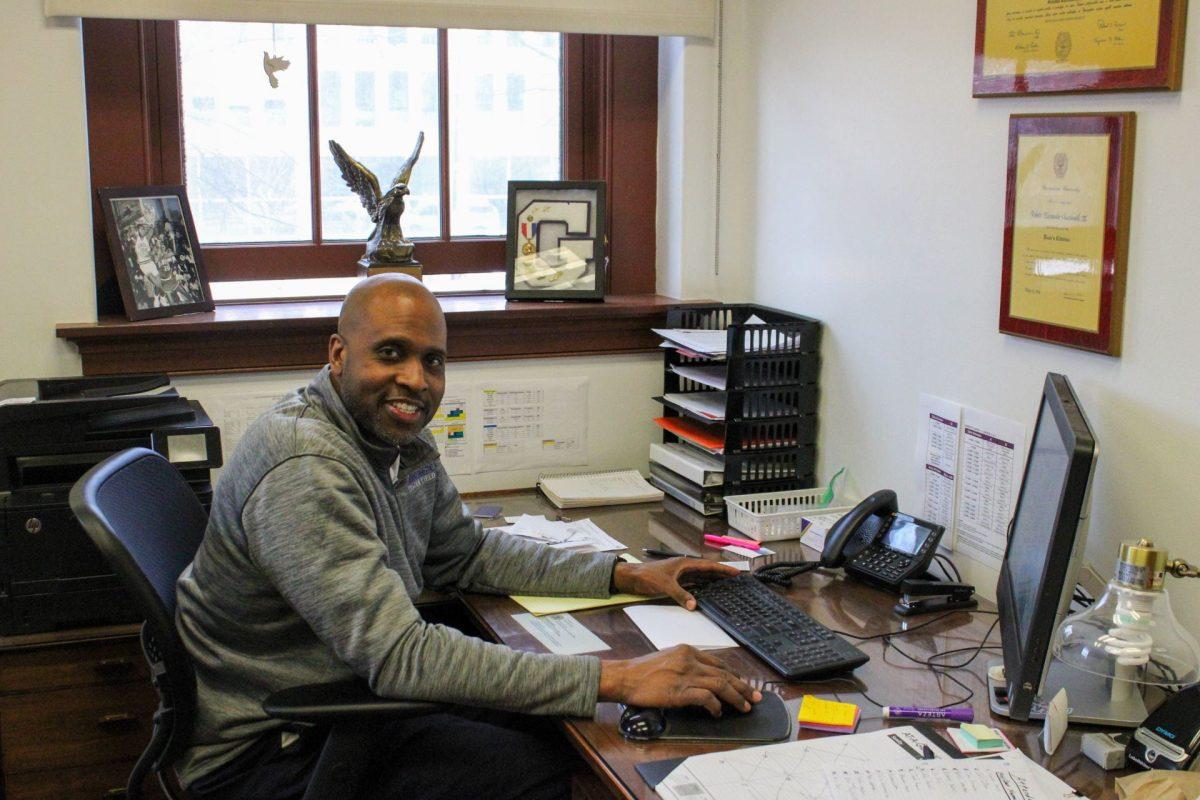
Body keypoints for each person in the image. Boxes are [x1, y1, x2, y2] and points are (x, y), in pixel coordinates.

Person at [175, 275, 760, 799]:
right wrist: (623, 677)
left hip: (348, 697)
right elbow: (401, 656)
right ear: (338, 354)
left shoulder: (392, 436)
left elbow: (467, 553)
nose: (415, 379)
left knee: (568, 728)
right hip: (275, 748)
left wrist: (624, 573)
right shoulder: (304, 467)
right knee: (551, 767)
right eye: (390, 353)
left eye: (433, 362)